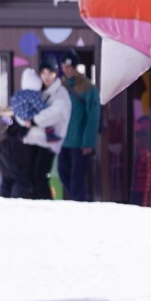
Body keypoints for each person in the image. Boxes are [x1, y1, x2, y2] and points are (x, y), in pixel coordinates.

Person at [20, 63, 71, 199]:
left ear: (56, 73)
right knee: (29, 175)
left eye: (50, 73)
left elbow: (55, 113)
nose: (47, 77)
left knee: (40, 175)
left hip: (49, 141)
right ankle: (33, 206)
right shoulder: (38, 91)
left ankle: (45, 207)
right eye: (43, 73)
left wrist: (34, 120)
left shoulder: (60, 93)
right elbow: (23, 109)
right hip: (32, 139)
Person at [58, 65, 100, 201]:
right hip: (64, 140)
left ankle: (79, 206)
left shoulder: (88, 87)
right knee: (63, 172)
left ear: (76, 67)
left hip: (80, 142)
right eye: (64, 67)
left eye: (70, 67)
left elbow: (93, 116)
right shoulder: (60, 86)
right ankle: (79, 202)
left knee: (78, 177)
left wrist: (88, 141)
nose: (67, 70)